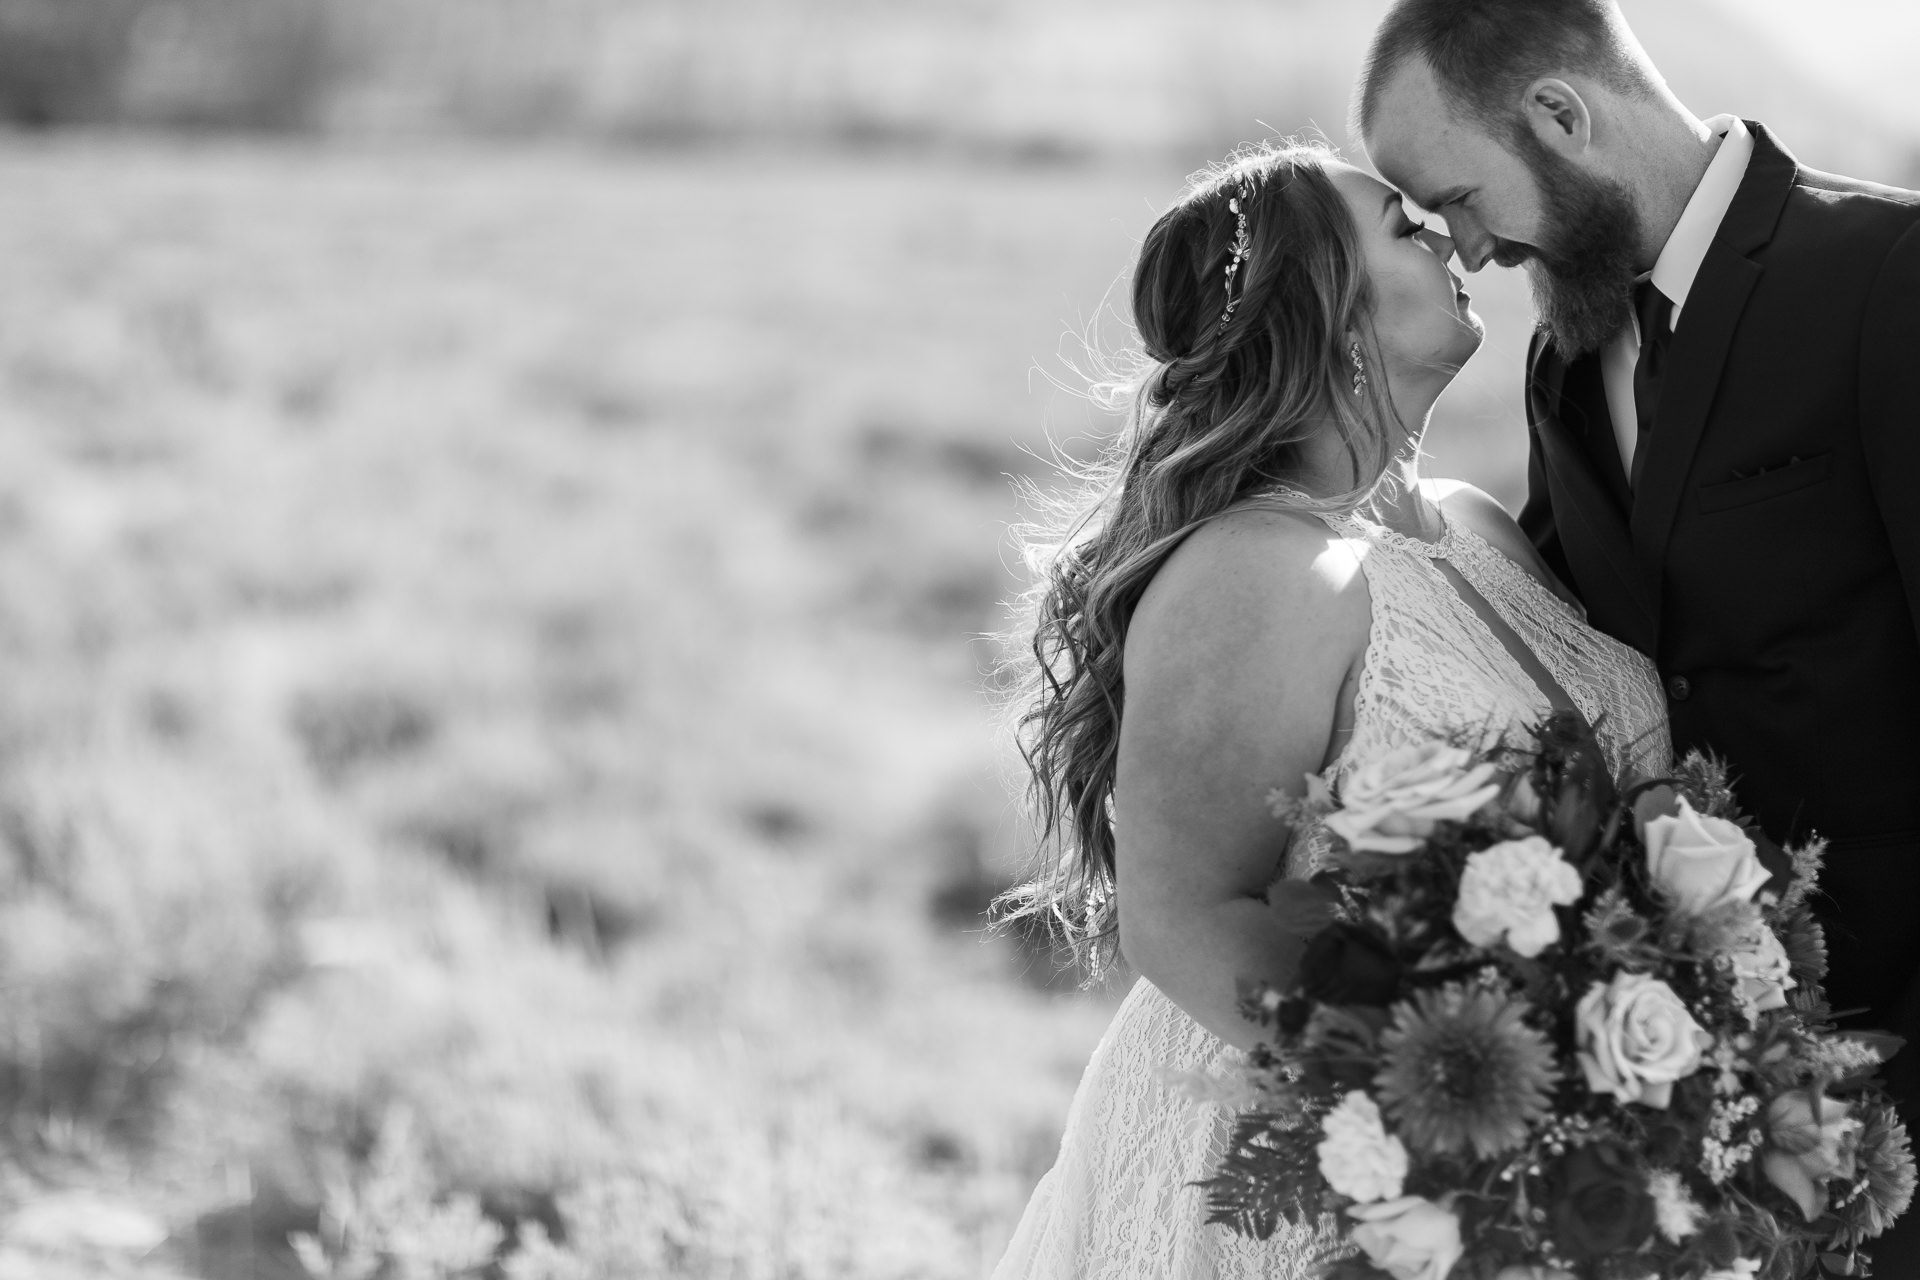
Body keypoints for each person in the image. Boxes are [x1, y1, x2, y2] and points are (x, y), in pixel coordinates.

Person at [989, 140, 1668, 1278]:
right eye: (1406, 228)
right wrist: (1459, 1119)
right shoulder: (1252, 571)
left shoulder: (1473, 524)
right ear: (1327, 308)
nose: (1454, 236)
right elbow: (1187, 913)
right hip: (1324, 1177)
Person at [1355, 2, 1920, 1270]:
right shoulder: (1568, 346)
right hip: (1683, 1072)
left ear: (1562, 116)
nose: (1464, 248)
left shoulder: (1893, 276)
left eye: (1456, 196)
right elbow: (1573, 650)